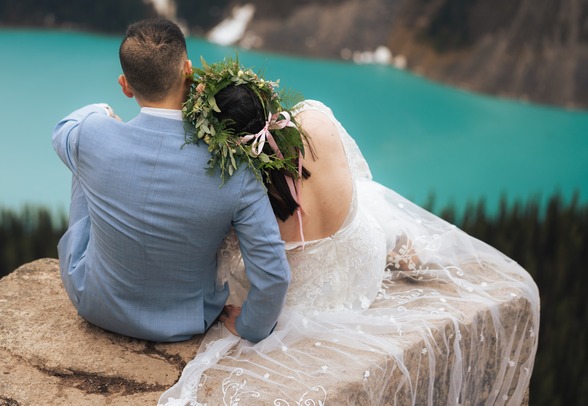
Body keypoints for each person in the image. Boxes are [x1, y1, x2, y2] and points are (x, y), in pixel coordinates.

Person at [160, 58, 540, 404]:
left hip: (309, 304)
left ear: (228, 145)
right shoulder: (315, 117)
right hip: (365, 262)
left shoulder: (246, 195)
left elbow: (253, 267)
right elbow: (360, 176)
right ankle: (397, 247)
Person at [51, 19, 291, 343]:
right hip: (187, 322)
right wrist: (251, 326)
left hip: (94, 305)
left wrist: (105, 111)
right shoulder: (234, 171)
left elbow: (64, 128)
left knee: (84, 158)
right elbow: (274, 275)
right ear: (188, 71)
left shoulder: (92, 135)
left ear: (125, 86)